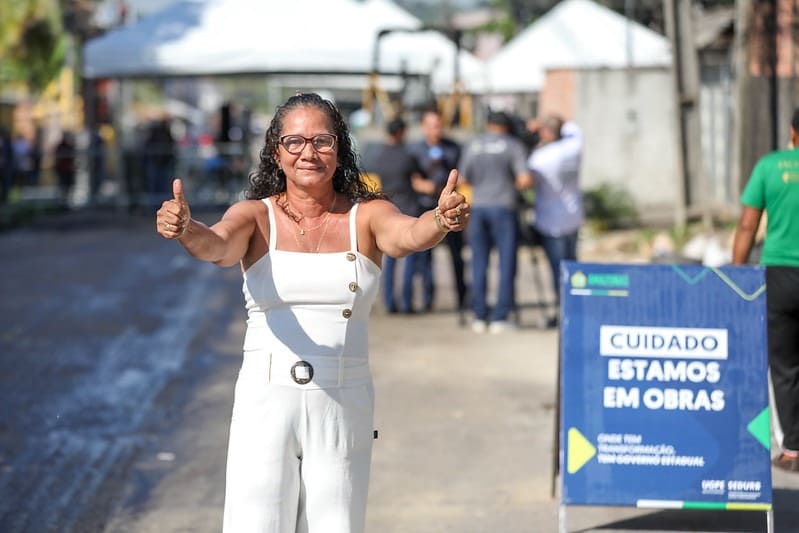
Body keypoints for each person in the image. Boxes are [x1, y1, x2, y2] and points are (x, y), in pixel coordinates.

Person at [156, 92, 470, 531]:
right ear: (275, 151)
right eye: (295, 142)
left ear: (339, 149)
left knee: (336, 523)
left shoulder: (369, 216)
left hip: (342, 398)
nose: (309, 153)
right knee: (256, 522)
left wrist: (439, 219)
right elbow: (220, 246)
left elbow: (407, 236)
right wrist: (186, 228)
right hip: (265, 400)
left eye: (322, 141)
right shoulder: (255, 217)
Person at [732, 107, 799, 473]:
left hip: (781, 274)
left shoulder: (771, 166)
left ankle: (793, 450)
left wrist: (738, 273)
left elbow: (747, 225)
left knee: (785, 364)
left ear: (793, 131)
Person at [459, 110, 532, 333]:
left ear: (489, 124)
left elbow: (462, 179)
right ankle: (501, 316)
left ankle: (479, 315)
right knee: (506, 263)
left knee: (479, 262)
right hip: (504, 208)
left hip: (478, 208)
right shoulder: (512, 145)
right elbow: (524, 179)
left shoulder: (474, 145)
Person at [368, 116, 434, 314]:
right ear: (401, 132)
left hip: (387, 209)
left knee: (389, 261)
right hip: (408, 210)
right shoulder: (408, 156)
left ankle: (389, 302)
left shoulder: (378, 156)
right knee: (409, 259)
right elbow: (420, 178)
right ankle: (407, 302)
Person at [408, 108, 468, 311]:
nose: (436, 129)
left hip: (450, 210)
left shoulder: (453, 148)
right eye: (431, 125)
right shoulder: (415, 150)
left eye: (438, 125)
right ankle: (427, 299)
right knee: (424, 257)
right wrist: (424, 186)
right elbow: (411, 178)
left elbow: (463, 175)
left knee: (457, 256)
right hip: (425, 207)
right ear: (424, 128)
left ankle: (462, 298)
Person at [527, 115, 584, 317]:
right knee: (573, 266)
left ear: (546, 133)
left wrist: (533, 127)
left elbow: (525, 180)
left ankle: (563, 311)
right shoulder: (574, 146)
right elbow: (571, 125)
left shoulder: (541, 158)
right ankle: (576, 308)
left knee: (558, 270)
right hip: (573, 215)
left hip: (551, 222)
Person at [54, 132, 76, 201]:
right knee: (63, 185)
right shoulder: (61, 146)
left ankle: (65, 200)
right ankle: (62, 200)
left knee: (67, 186)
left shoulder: (69, 146)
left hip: (67, 169)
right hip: (63, 170)